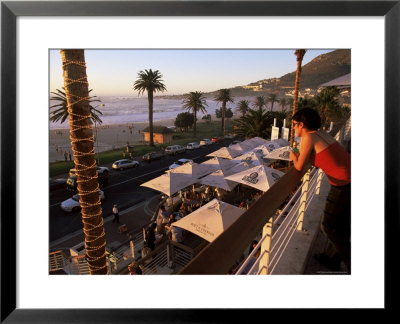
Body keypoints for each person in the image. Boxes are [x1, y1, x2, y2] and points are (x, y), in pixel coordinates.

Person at [289, 108, 351, 272]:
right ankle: (332, 258)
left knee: (329, 226)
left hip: (344, 183)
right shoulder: (321, 134)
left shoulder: (308, 137)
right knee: (341, 226)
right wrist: (300, 153)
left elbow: (299, 166)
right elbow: (315, 158)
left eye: (295, 125)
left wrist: (293, 155)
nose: (294, 128)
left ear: (301, 124)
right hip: (348, 180)